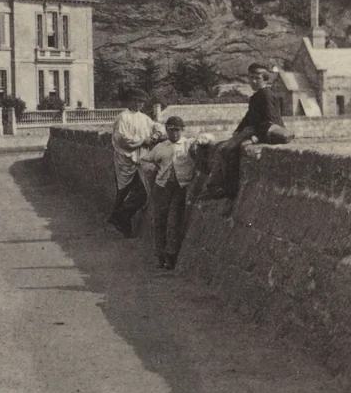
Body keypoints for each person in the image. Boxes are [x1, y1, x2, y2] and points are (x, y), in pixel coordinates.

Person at [199, 63, 293, 202]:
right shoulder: (256, 97)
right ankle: (215, 186)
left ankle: (228, 190)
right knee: (222, 147)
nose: (253, 81)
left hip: (267, 133)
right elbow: (248, 118)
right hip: (254, 130)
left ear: (265, 78)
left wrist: (255, 138)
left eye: (257, 78)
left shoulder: (267, 95)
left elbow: (270, 121)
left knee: (229, 149)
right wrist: (237, 132)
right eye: (251, 78)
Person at [139, 115, 213, 269]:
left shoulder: (188, 144)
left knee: (175, 221)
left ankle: (170, 256)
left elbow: (210, 137)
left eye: (177, 130)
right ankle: (160, 256)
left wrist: (199, 140)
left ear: (182, 130)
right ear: (166, 130)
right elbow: (144, 161)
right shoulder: (161, 147)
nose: (174, 133)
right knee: (159, 221)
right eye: (171, 130)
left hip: (180, 187)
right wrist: (152, 169)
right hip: (162, 187)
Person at [107, 90, 164, 237]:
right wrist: (142, 141)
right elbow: (122, 140)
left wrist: (156, 134)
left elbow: (158, 127)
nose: (139, 104)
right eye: (136, 101)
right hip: (126, 160)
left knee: (140, 190)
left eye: (141, 102)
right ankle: (120, 218)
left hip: (141, 160)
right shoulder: (123, 117)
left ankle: (118, 217)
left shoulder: (144, 117)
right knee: (126, 190)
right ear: (130, 101)